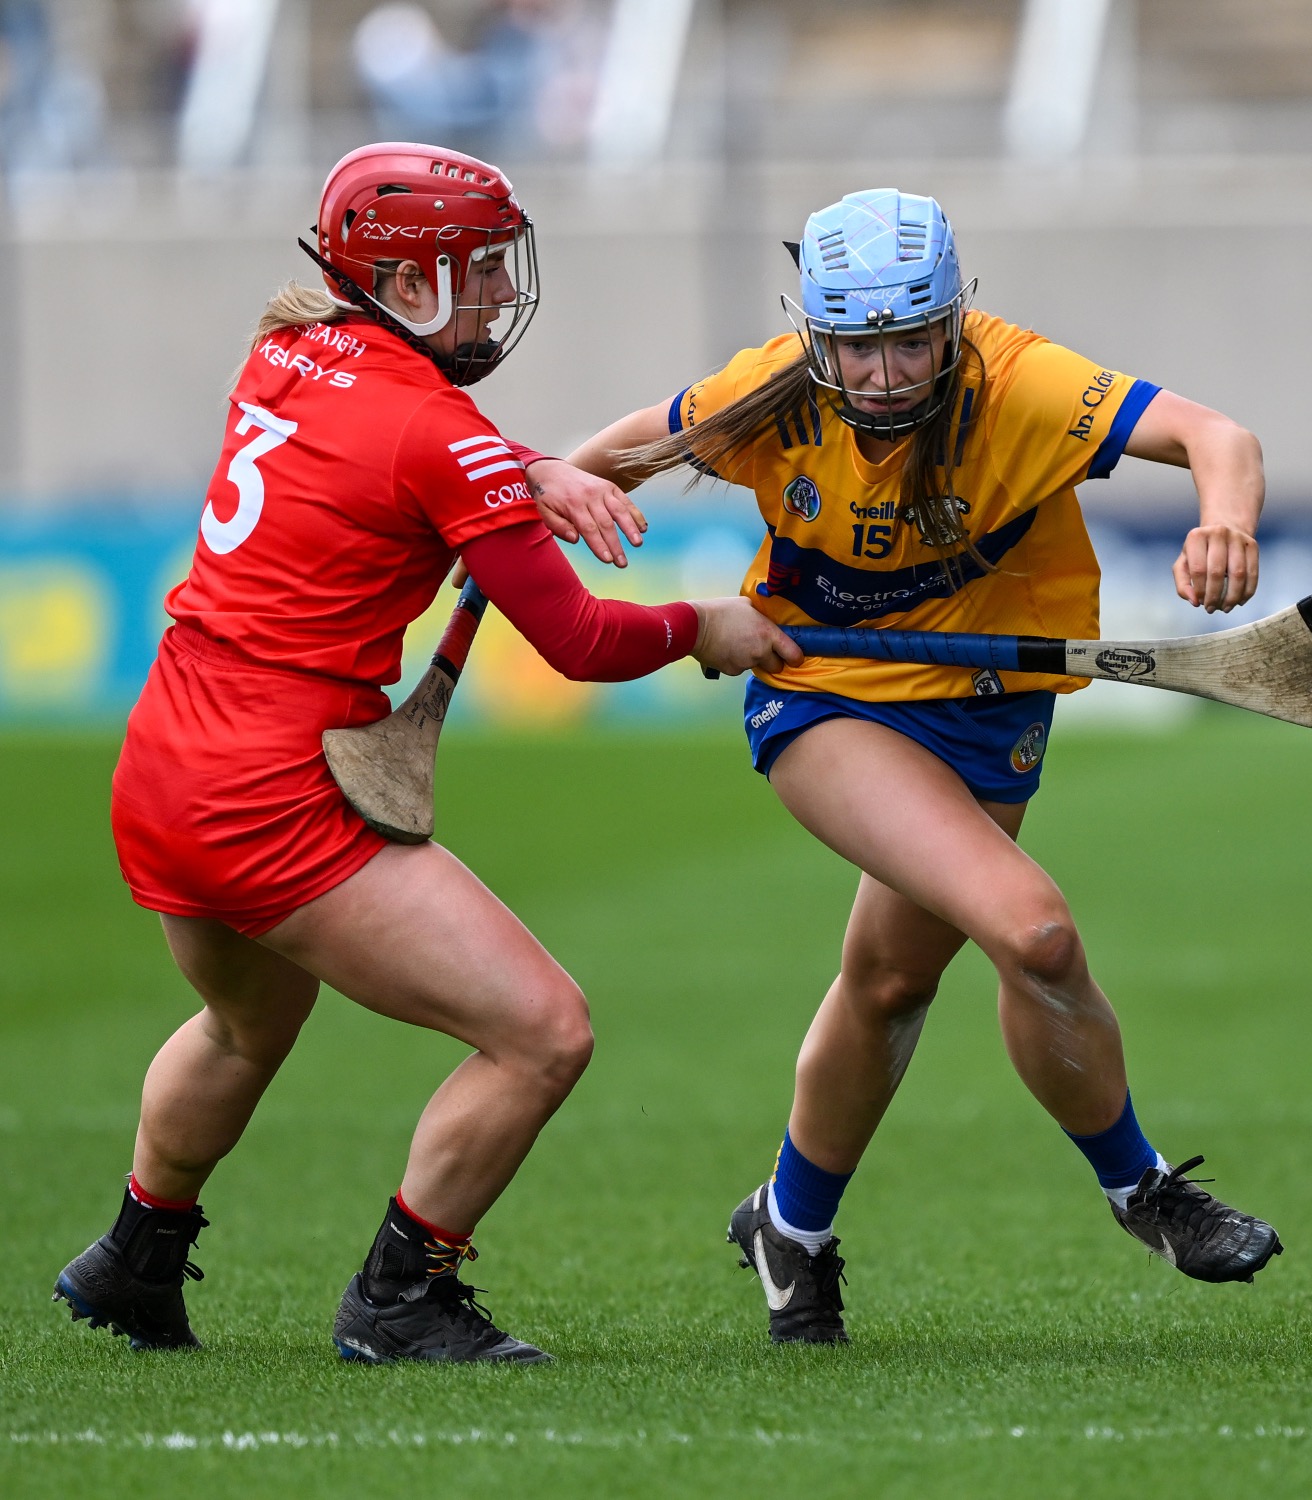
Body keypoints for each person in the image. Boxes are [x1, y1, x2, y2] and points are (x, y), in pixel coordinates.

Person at [51, 142, 799, 1364]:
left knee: (245, 1025)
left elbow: (404, 443)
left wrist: (525, 469)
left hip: (163, 767)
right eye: (478, 272)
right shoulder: (437, 433)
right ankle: (403, 1297)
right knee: (543, 1031)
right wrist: (703, 627)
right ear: (403, 286)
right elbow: (574, 639)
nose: (503, 294)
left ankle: (135, 1259)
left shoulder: (285, 349)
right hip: (271, 792)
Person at [568, 188, 1283, 1344]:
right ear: (818, 335)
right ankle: (1143, 1192)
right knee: (1034, 930)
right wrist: (528, 510)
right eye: (858, 342)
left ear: (956, 321)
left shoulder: (1022, 382)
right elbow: (604, 459)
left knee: (893, 981)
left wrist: (1226, 518)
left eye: (912, 338)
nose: (888, 371)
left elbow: (1219, 439)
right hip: (825, 699)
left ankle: (788, 1230)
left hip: (986, 710)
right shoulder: (770, 391)